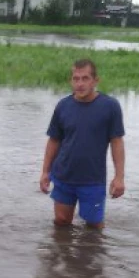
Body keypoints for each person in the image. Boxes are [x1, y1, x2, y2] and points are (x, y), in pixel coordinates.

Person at [40, 58, 125, 228]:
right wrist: (45, 172)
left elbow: (117, 142)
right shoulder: (63, 106)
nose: (80, 84)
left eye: (85, 78)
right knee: (61, 222)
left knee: (94, 227)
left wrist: (119, 177)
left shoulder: (110, 107)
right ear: (71, 80)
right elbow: (54, 140)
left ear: (95, 80)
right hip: (64, 176)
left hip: (92, 179)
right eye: (76, 78)